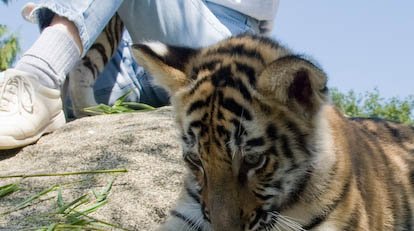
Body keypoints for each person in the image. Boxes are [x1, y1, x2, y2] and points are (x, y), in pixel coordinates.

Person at [0, 0, 280, 150]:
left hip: (218, 48)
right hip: (146, 58)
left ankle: (39, 77)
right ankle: (69, 79)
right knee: (81, 87)